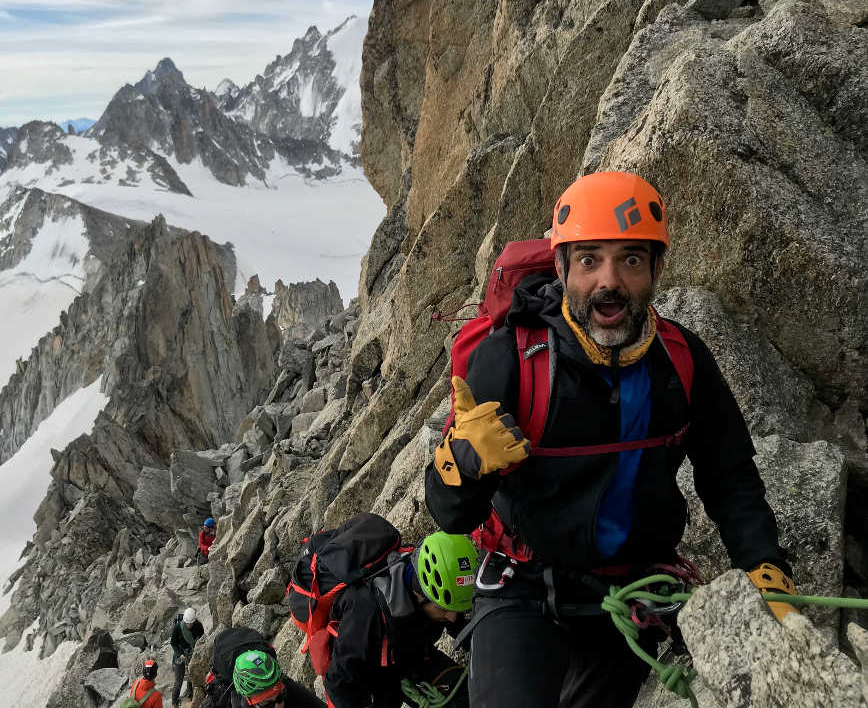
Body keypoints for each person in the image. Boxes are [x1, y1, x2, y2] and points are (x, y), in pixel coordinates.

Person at [425, 171, 793, 708]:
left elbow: (729, 475)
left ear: (657, 270)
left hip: (631, 589)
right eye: (590, 259)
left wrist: (765, 567)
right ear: (561, 267)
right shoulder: (509, 359)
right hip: (524, 584)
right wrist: (465, 460)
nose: (609, 282)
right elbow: (449, 514)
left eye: (631, 260)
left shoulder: (681, 360)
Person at [321, 531, 476, 708]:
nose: (452, 617)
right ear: (420, 593)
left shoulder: (441, 591)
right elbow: (337, 686)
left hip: (410, 654)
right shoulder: (366, 611)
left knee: (466, 696)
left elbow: (465, 630)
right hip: (370, 670)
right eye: (444, 609)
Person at [233, 649, 324, 708]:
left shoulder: (291, 688)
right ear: (250, 701)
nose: (278, 707)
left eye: (280, 697)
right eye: (267, 705)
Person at [170, 607, 205, 707]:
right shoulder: (178, 627)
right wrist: (180, 653)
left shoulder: (198, 626)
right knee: (178, 680)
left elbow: (202, 639)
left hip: (191, 653)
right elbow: (173, 642)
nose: (189, 625)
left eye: (191, 623)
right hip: (179, 655)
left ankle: (190, 696)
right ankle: (174, 703)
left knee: (191, 677)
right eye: (187, 623)